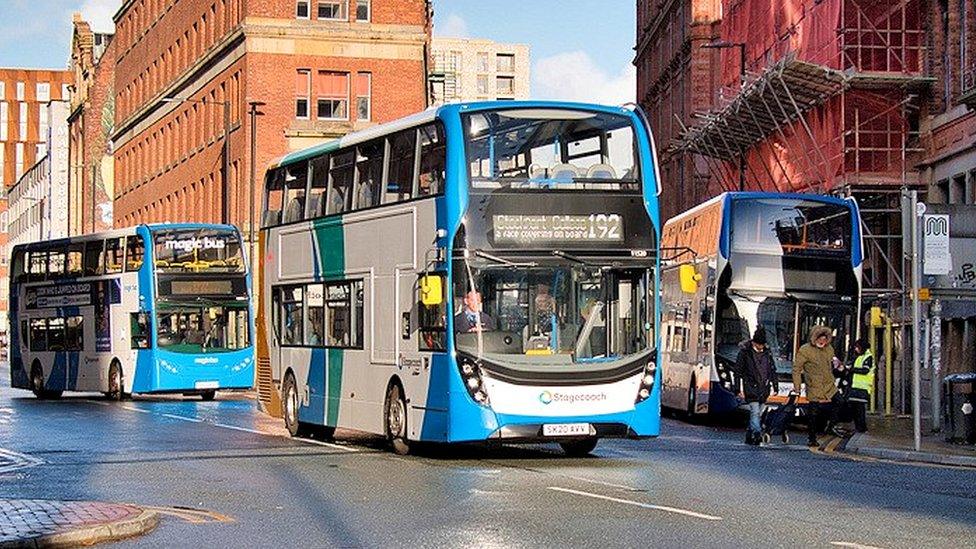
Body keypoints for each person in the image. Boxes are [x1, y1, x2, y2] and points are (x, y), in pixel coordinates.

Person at [794, 325, 842, 447]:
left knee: (840, 401)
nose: (823, 342)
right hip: (814, 386)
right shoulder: (805, 350)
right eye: (820, 340)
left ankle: (830, 426)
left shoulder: (829, 349)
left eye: (825, 340)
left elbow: (833, 361)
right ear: (814, 339)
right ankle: (812, 438)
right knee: (813, 413)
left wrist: (839, 365)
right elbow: (796, 369)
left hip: (829, 384)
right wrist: (797, 387)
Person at [734, 328, 778, 446]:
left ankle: (749, 433)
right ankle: (758, 433)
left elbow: (772, 370)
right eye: (758, 344)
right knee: (755, 411)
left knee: (759, 413)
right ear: (753, 342)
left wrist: (775, 386)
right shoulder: (744, 353)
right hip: (751, 387)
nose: (760, 346)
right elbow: (737, 372)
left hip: (764, 388)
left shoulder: (767, 354)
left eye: (762, 344)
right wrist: (737, 389)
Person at [847, 338, 875, 433]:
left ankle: (862, 428)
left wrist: (851, 369)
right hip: (855, 387)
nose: (856, 349)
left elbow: (865, 370)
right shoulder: (859, 356)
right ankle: (858, 428)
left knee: (860, 410)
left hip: (862, 388)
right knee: (854, 409)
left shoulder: (868, 357)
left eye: (857, 347)